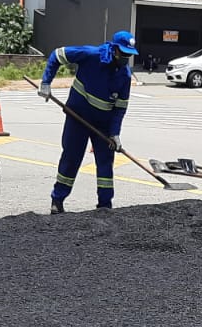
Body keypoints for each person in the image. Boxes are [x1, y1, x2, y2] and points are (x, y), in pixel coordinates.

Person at [38, 30, 138, 213]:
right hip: (78, 117)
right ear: (114, 49)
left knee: (105, 163)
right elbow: (57, 55)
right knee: (71, 157)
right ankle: (57, 200)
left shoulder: (124, 76)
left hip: (103, 124)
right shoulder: (91, 55)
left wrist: (115, 133)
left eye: (129, 55)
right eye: (123, 53)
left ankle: (105, 207)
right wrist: (46, 82)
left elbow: (120, 108)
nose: (126, 58)